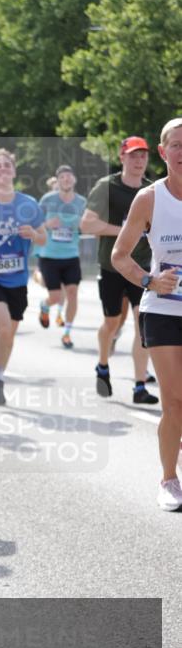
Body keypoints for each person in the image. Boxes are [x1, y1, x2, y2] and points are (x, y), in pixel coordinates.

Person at [112, 120, 182, 510]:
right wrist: (150, 281)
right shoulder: (149, 199)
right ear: (163, 152)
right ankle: (169, 479)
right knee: (174, 401)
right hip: (164, 311)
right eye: (176, 145)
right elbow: (119, 255)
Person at [80, 137, 158, 404]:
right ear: (122, 158)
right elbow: (87, 225)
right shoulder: (107, 187)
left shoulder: (151, 191)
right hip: (112, 266)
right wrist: (127, 231)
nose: (138, 161)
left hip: (143, 267)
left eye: (143, 156)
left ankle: (139, 386)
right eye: (133, 156)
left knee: (142, 325)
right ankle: (102, 364)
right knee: (113, 323)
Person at [0, 148, 46, 406]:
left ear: (14, 171)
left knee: (9, 335)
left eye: (7, 165)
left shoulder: (28, 204)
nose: (3, 169)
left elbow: (43, 237)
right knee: (3, 327)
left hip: (18, 279)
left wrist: (33, 234)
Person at [37, 165, 87, 348]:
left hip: (71, 255)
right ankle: (44, 305)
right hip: (49, 255)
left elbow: (87, 223)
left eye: (69, 176)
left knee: (72, 294)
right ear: (57, 181)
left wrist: (83, 224)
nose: (66, 179)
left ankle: (67, 332)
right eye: (62, 177)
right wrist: (47, 224)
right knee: (56, 297)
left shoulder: (81, 202)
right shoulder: (48, 199)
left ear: (74, 180)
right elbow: (35, 223)